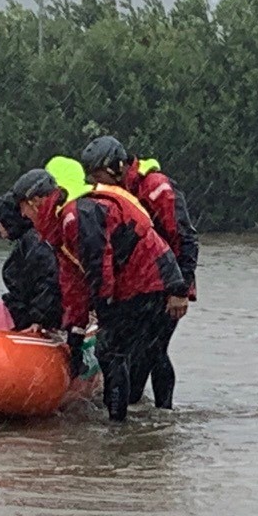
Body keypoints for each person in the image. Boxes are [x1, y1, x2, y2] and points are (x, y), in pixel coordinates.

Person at [14, 164, 186, 422]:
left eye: (23, 207)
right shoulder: (62, 225)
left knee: (117, 350)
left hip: (151, 281)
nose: (22, 214)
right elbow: (74, 285)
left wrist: (104, 313)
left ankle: (120, 425)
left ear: (37, 201)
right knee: (130, 351)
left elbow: (98, 267)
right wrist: (75, 334)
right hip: (139, 282)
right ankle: (145, 418)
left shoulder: (77, 215)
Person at [105, 137, 200, 409]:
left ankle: (162, 414)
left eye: (99, 176)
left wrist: (179, 290)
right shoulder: (122, 191)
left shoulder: (158, 189)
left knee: (154, 350)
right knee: (139, 350)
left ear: (117, 168)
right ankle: (141, 413)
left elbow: (186, 239)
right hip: (142, 285)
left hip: (169, 284)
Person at [0, 191, 62, 331]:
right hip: (25, 313)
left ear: (9, 220)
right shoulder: (26, 242)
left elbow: (49, 279)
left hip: (35, 320)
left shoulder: (34, 242)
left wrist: (39, 320)